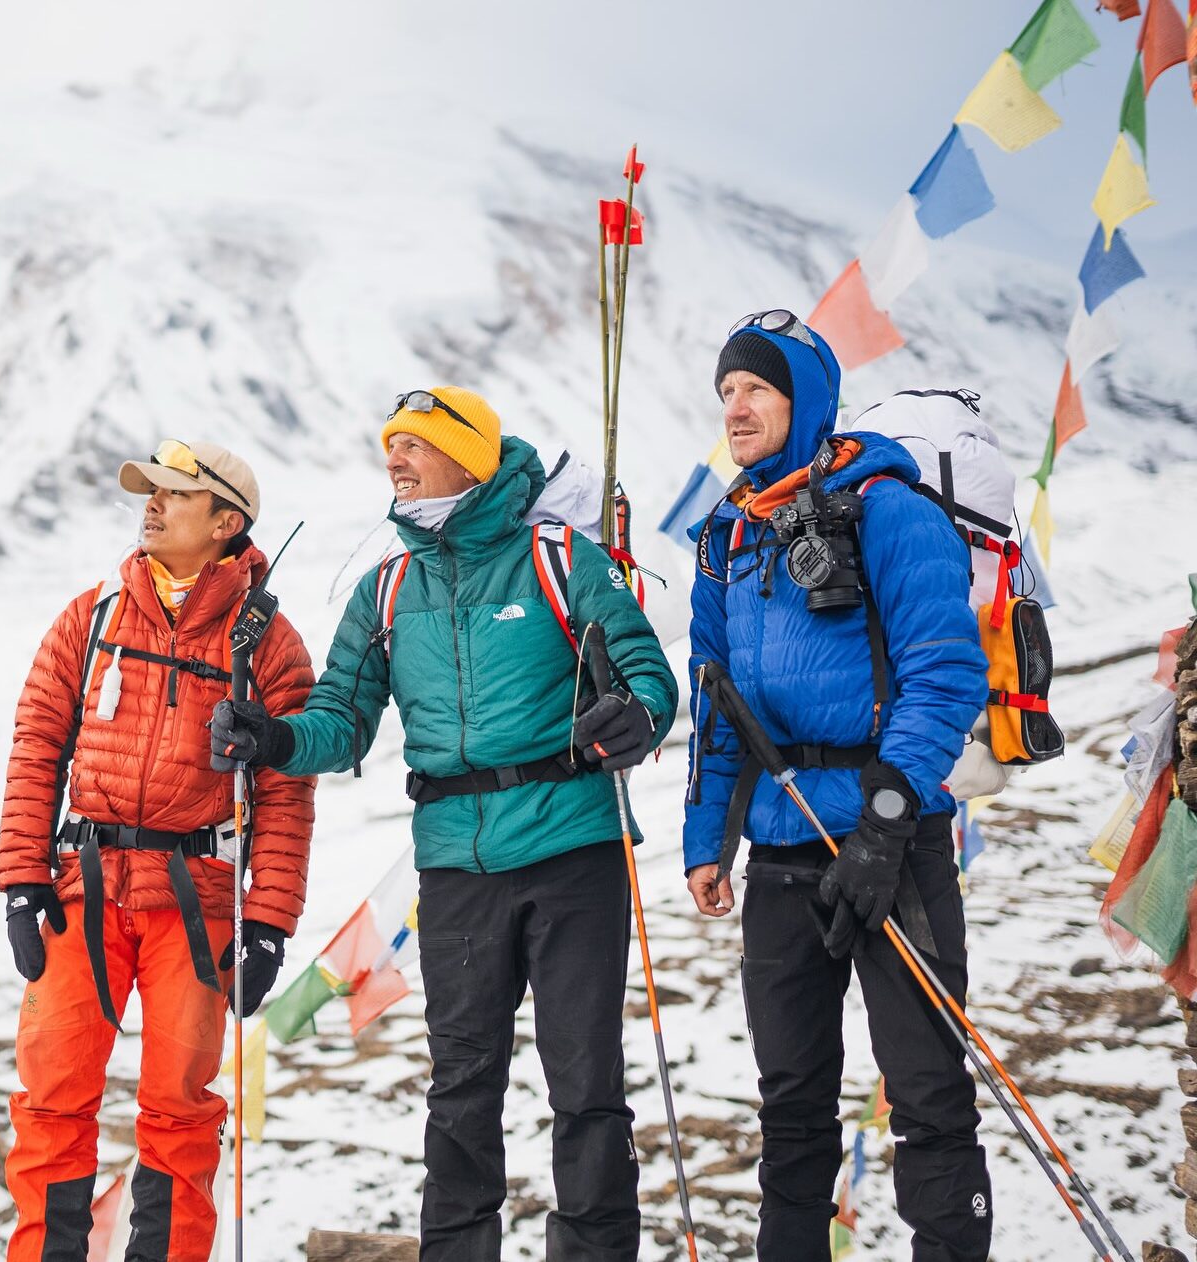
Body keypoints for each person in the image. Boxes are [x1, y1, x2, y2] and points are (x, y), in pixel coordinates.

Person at [209, 387, 679, 1262]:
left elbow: (649, 674)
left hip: (572, 850)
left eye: (416, 443)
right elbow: (340, 722)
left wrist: (635, 716)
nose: (396, 459)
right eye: (390, 445)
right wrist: (272, 737)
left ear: (472, 457)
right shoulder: (385, 588)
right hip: (455, 869)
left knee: (585, 1086)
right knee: (461, 1089)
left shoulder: (560, 556)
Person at [683, 313, 993, 1260]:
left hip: (891, 852)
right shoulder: (725, 538)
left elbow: (945, 676)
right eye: (727, 390)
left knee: (928, 1091)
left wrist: (885, 826)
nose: (736, 407)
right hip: (779, 852)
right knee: (793, 1106)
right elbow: (716, 701)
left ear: (805, 400)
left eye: (757, 389)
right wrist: (707, 843)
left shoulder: (892, 510)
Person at [0, 440, 315, 1262]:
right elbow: (37, 744)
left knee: (179, 1109)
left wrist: (268, 923)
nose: (153, 503)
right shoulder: (92, 615)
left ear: (226, 523)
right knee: (51, 1101)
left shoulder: (269, 645)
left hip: (197, 902)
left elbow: (286, 790)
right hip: (82, 890)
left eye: (176, 494)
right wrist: (23, 880)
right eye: (152, 490)